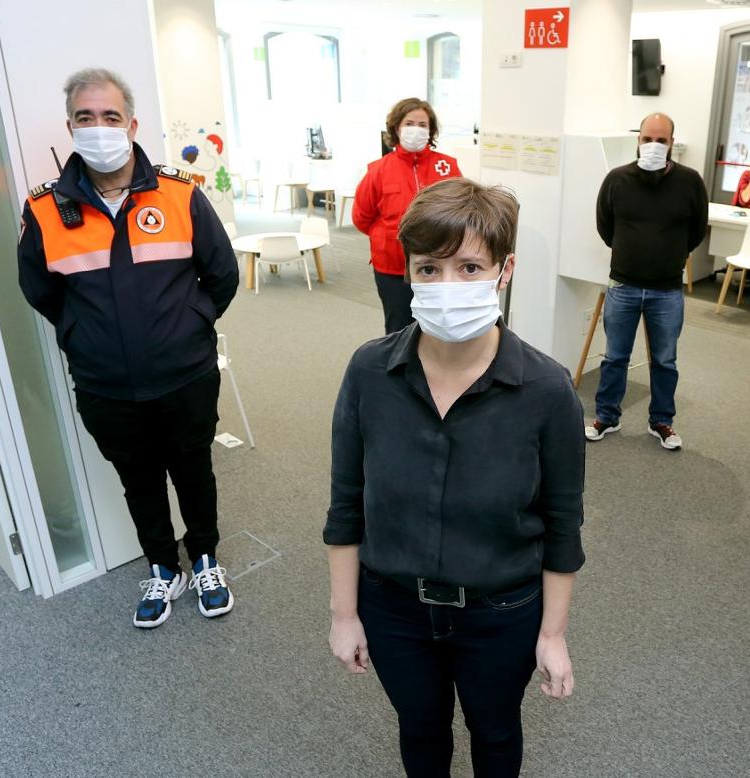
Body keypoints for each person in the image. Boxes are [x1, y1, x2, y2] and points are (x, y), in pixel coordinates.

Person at [325, 178, 585, 777]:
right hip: (394, 609)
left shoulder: (546, 391)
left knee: (495, 732)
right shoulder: (370, 372)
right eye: (429, 269)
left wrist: (552, 634)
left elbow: (562, 524)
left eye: (469, 268)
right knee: (420, 730)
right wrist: (344, 614)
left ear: (504, 271)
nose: (448, 286)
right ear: (408, 273)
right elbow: (346, 504)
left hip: (501, 612)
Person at [17, 68, 239, 627]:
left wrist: (190, 324)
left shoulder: (179, 194)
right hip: (105, 386)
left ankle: (205, 558)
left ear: (132, 125)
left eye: (110, 116)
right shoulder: (44, 210)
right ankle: (163, 568)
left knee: (193, 471)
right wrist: (83, 334)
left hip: (185, 375)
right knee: (137, 481)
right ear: (71, 127)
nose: (99, 127)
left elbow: (222, 275)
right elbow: (40, 292)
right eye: (85, 117)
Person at [585, 112, 708, 450]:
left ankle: (662, 421)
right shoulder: (617, 180)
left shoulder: (690, 182)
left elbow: (697, 230)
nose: (653, 145)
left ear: (672, 143)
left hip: (666, 290)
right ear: (637, 140)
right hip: (623, 286)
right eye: (647, 139)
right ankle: (606, 416)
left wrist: (671, 254)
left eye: (661, 140)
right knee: (615, 357)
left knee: (665, 360)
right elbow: (605, 226)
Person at [353, 97, 462, 334]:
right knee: (398, 329)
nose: (416, 129)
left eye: (422, 125)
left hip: (439, 266)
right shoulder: (378, 170)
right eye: (409, 123)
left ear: (431, 131)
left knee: (438, 327)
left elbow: (461, 210)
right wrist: (387, 237)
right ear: (396, 128)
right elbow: (361, 217)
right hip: (392, 267)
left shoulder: (447, 166)